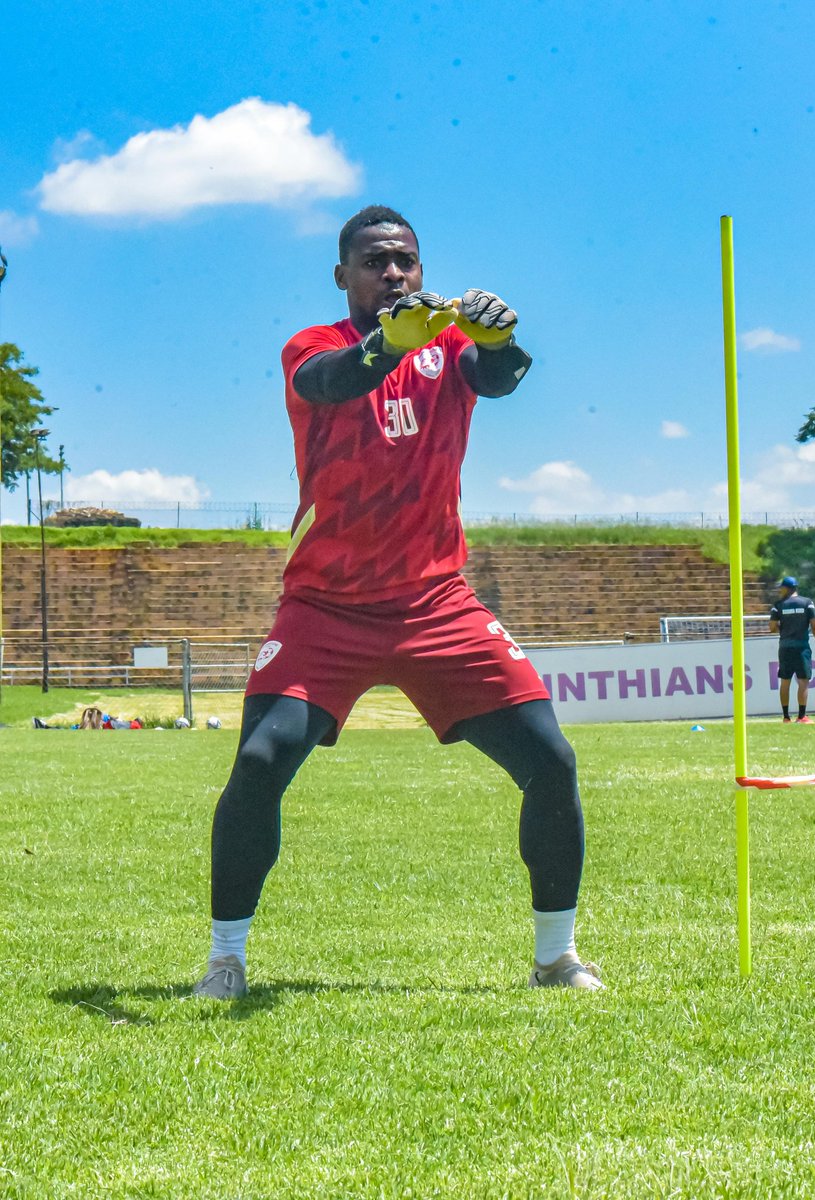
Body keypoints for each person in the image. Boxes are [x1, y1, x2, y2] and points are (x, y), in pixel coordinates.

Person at [193, 205, 601, 999]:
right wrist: (389, 344)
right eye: (376, 262)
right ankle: (225, 959)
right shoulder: (313, 347)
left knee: (551, 762)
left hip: (435, 603)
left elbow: (501, 377)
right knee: (258, 761)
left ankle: (556, 958)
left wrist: (497, 338)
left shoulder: (448, 344)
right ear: (342, 276)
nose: (394, 274)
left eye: (406, 262)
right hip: (324, 605)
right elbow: (329, 383)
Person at [769, 575, 815, 724]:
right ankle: (801, 717)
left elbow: (772, 627)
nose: (780, 590)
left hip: (785, 647)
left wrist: (783, 629)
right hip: (801, 647)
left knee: (785, 681)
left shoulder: (778, 605)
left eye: (782, 588)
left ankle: (786, 717)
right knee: (803, 681)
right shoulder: (807, 603)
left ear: (787, 588)